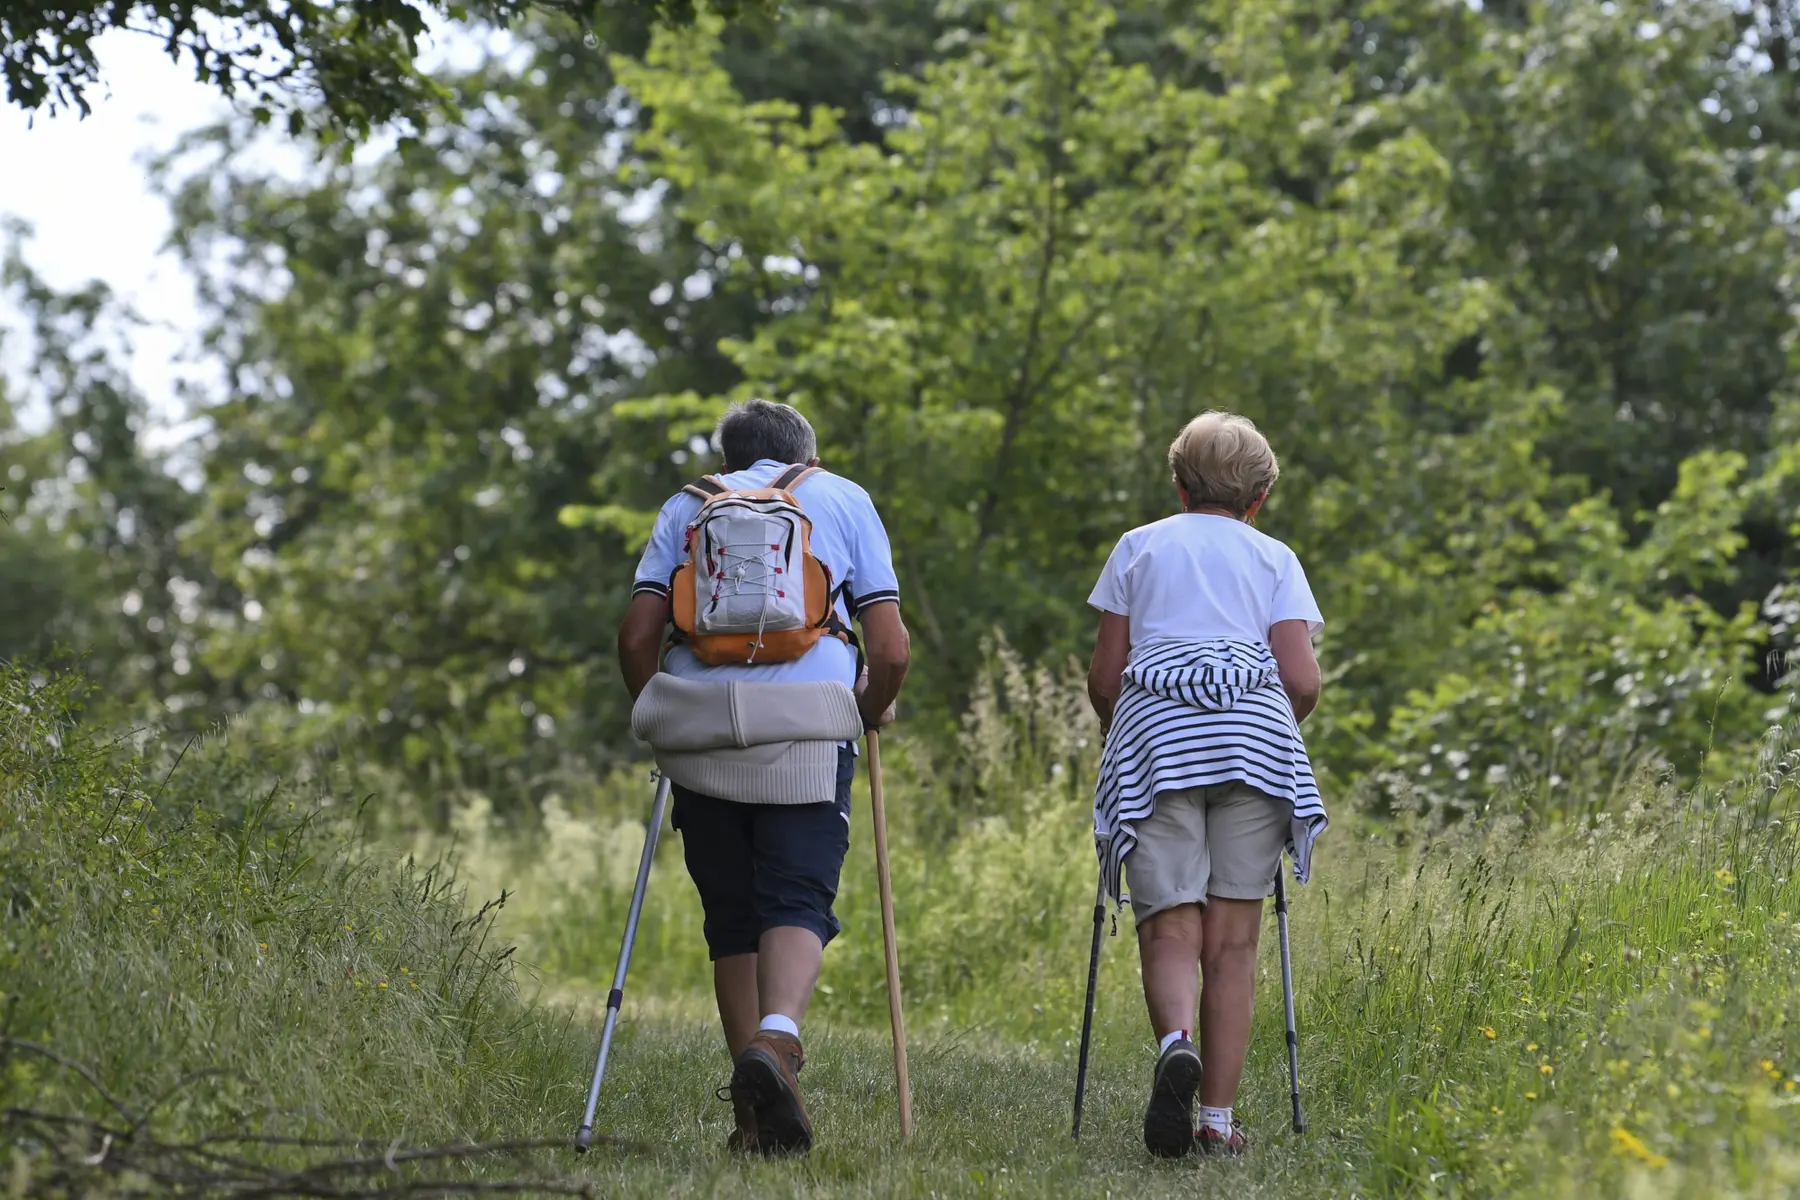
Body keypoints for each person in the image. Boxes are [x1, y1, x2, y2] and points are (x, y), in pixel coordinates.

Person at [616, 399, 910, 1157]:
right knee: (797, 894)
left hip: (699, 725)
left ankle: (754, 1124)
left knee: (732, 916)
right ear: (807, 456)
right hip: (807, 722)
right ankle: (777, 1041)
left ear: (729, 458)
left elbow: (638, 634)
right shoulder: (841, 497)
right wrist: (864, 711)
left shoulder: (686, 505)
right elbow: (890, 646)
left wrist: (659, 712)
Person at [1085, 410, 1327, 1159]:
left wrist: (1121, 732)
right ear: (1259, 498)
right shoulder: (1275, 558)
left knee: (1168, 920)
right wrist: (1262, 727)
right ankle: (1217, 1123)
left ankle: (1176, 1045)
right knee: (1234, 940)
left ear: (1180, 487)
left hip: (1157, 740)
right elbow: (1300, 679)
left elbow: (1106, 677)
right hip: (1254, 746)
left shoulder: (1139, 546)